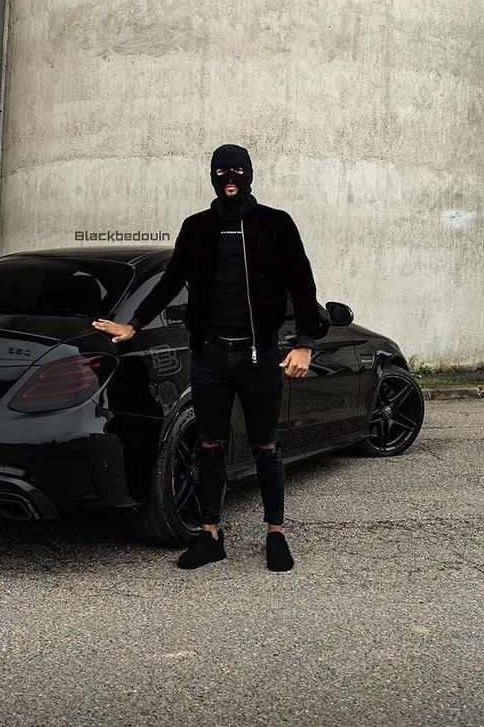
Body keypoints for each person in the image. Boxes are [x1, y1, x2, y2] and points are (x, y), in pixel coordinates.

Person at [92, 143, 328, 571]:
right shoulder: (197, 227)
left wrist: (305, 342)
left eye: (237, 170)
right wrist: (135, 324)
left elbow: (302, 283)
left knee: (266, 444)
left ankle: (276, 534)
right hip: (211, 356)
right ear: (212, 176)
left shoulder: (276, 224)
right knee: (210, 444)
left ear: (250, 174)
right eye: (221, 171)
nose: (230, 177)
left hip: (259, 357)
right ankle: (210, 535)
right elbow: (170, 281)